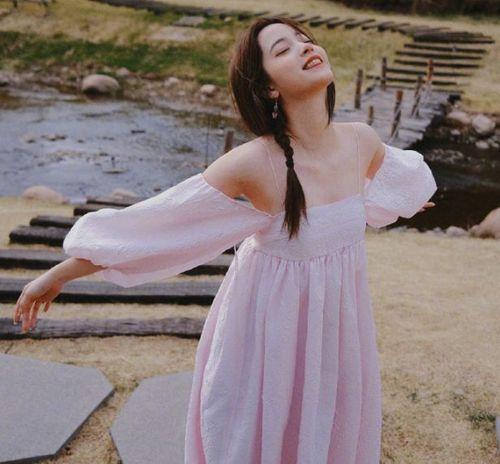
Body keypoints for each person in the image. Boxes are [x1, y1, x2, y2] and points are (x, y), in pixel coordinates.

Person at [11, 16, 437, 464]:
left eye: (304, 39)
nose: (305, 47)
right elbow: (160, 225)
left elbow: (395, 182)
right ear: (268, 87)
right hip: (268, 330)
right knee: (257, 432)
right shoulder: (254, 163)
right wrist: (59, 275)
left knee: (326, 423)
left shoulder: (361, 140)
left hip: (337, 324)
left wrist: (408, 199)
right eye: (283, 49)